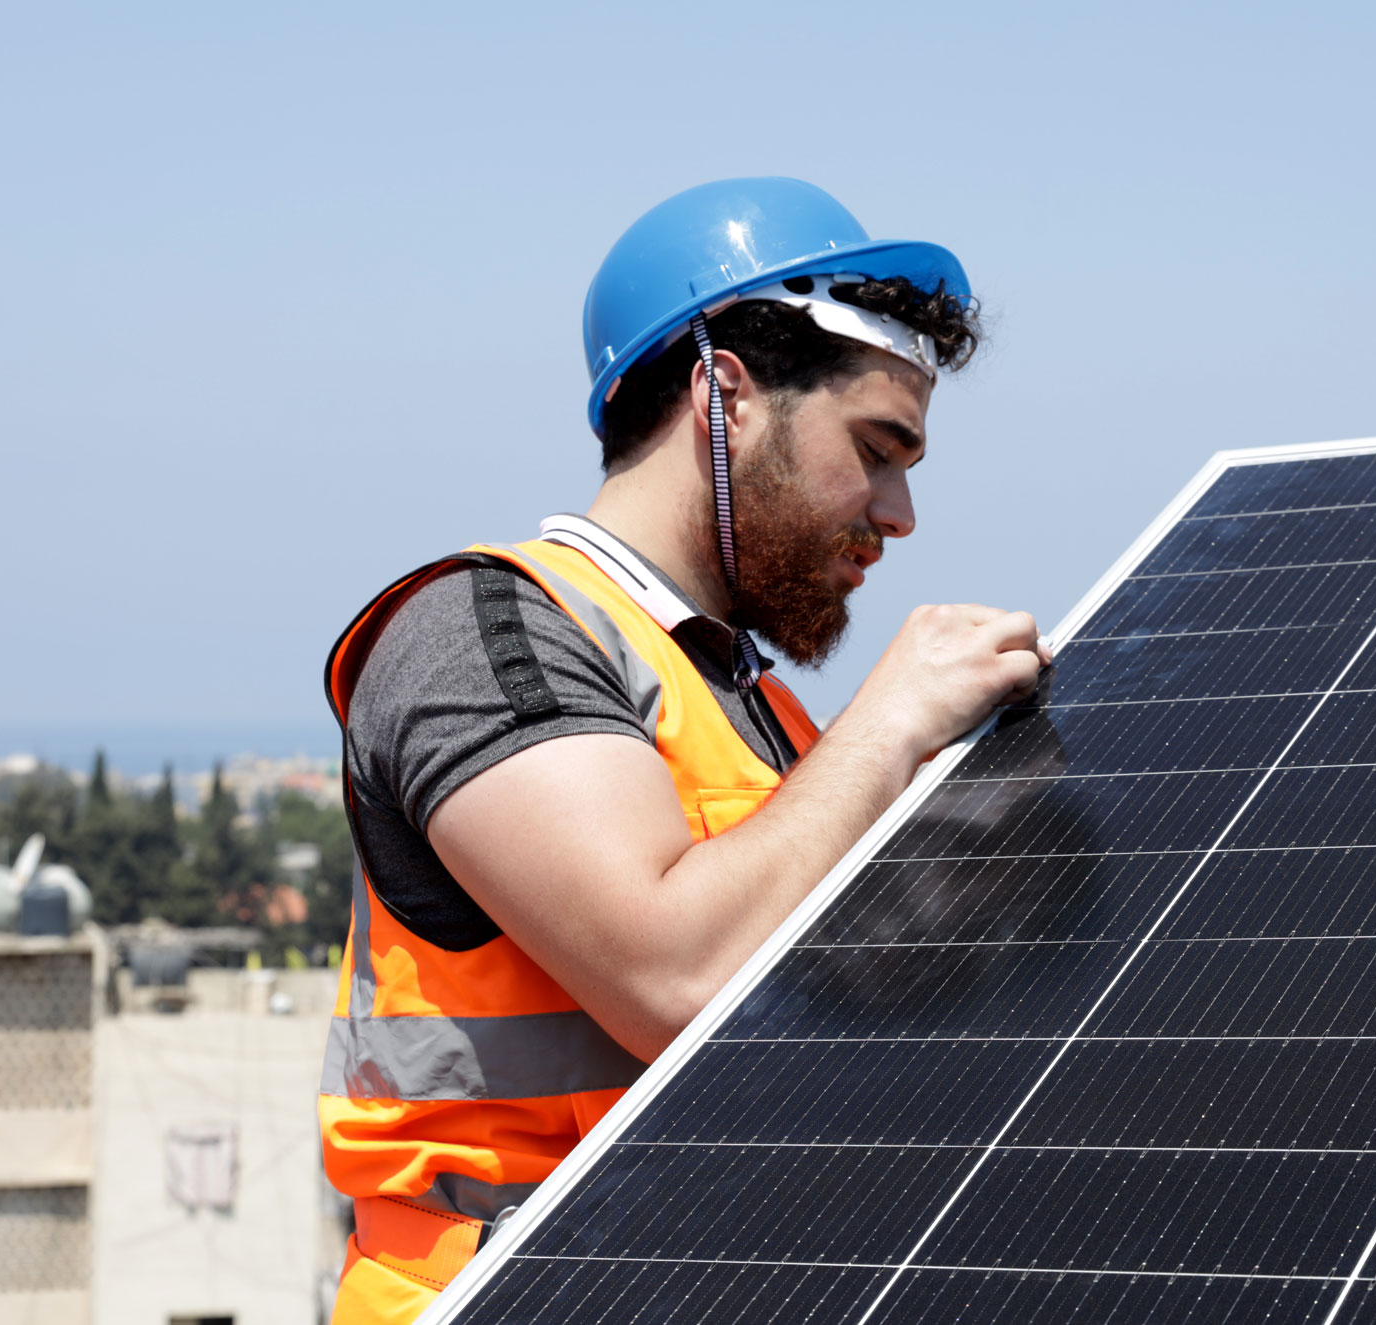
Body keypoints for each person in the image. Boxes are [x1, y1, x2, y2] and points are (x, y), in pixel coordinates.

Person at [316, 178, 1050, 1323]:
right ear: (726, 395)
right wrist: (893, 719)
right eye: (876, 446)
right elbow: (676, 978)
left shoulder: (763, 719)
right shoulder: (486, 629)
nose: (899, 511)